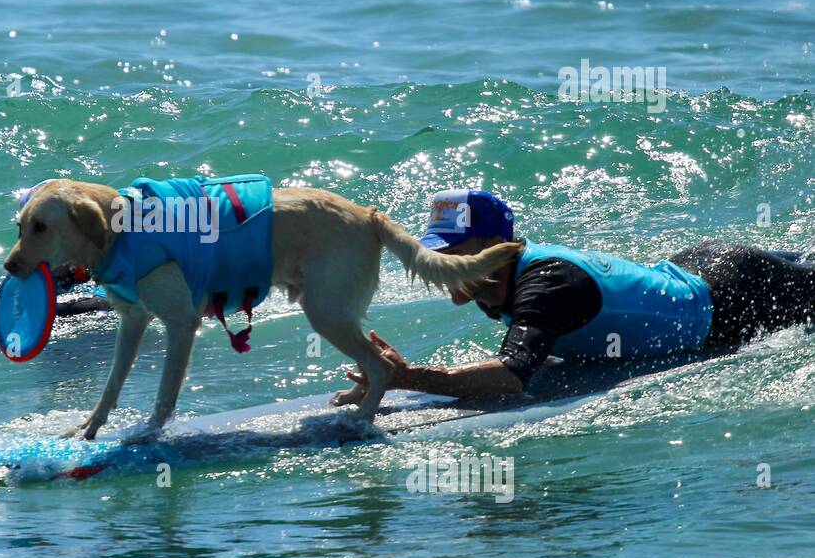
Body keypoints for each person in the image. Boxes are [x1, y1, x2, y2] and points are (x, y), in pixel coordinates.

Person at [344, 189, 815, 399]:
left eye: (450, 253)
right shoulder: (495, 283)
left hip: (733, 296)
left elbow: (512, 376)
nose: (436, 266)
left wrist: (419, 379)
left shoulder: (547, 284)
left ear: (493, 249)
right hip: (699, 266)